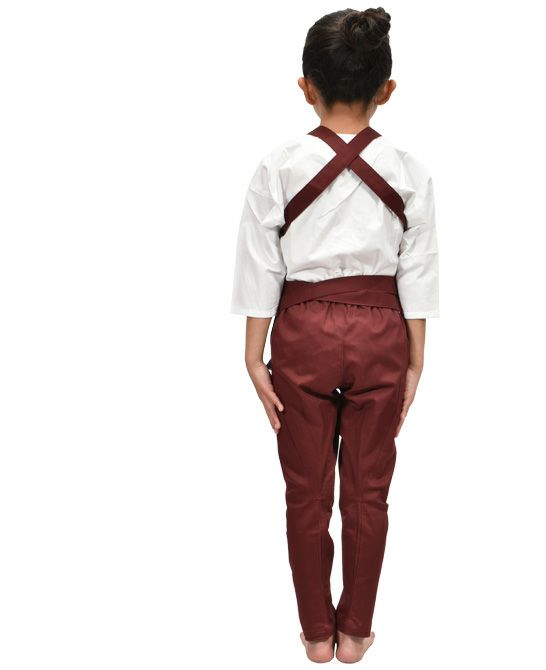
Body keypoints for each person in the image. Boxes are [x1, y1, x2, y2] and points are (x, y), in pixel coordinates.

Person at [230, 7, 439, 663]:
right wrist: (415, 360)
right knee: (369, 494)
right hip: (382, 332)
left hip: (302, 333)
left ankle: (316, 634)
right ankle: (357, 633)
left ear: (305, 86)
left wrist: (253, 355)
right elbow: (418, 268)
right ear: (387, 89)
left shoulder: (278, 165)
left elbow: (261, 263)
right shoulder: (409, 169)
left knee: (306, 494)